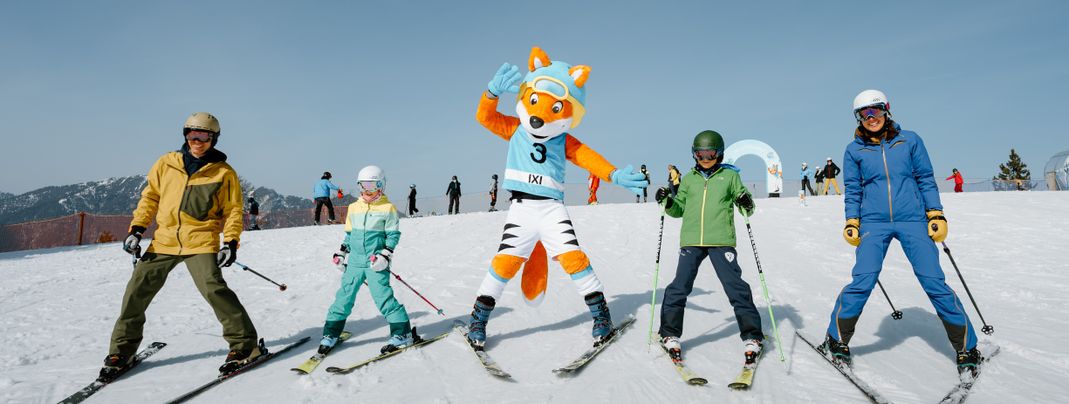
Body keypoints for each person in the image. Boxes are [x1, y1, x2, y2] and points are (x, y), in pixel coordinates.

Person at [465, 46, 649, 350]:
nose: (539, 117)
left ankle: (601, 317)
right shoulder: (515, 130)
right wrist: (491, 93)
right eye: (535, 102)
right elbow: (485, 117)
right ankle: (479, 319)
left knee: (574, 259)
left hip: (551, 209)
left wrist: (614, 175)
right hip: (522, 209)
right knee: (504, 264)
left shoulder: (564, 139)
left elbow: (588, 158)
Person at [824, 89, 981, 375]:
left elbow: (924, 178)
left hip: (913, 220)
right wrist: (852, 220)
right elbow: (854, 190)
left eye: (877, 111)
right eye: (865, 113)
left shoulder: (910, 140)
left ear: (887, 110)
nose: (872, 118)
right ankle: (835, 340)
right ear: (858, 117)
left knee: (934, 281)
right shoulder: (853, 150)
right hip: (873, 221)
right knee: (863, 279)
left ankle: (966, 348)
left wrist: (936, 213)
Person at [101, 112, 260, 380]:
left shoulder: (223, 172)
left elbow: (233, 211)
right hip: (164, 240)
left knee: (214, 289)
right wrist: (137, 230)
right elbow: (149, 197)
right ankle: (122, 351)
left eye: (204, 136)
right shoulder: (166, 163)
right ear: (185, 135)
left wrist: (230, 243)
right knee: (135, 292)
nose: (197, 140)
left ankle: (244, 346)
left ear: (214, 138)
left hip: (200, 240)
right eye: (192, 134)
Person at [653, 130, 764, 366]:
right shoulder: (690, 179)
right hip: (692, 240)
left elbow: (747, 208)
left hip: (721, 239)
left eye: (710, 154)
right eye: (700, 154)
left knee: (736, 288)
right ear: (694, 154)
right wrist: (667, 201)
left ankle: (753, 336)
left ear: (720, 153)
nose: (705, 159)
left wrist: (746, 202)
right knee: (679, 287)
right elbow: (678, 209)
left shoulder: (730, 177)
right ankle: (669, 333)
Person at [322, 166, 419, 354]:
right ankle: (331, 333)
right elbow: (349, 235)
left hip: (375, 261)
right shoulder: (354, 208)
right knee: (343, 297)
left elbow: (392, 236)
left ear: (381, 186)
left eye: (372, 185)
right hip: (356, 262)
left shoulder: (387, 208)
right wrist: (342, 253)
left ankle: (402, 333)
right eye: (363, 185)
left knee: (383, 298)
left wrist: (385, 255)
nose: (367, 190)